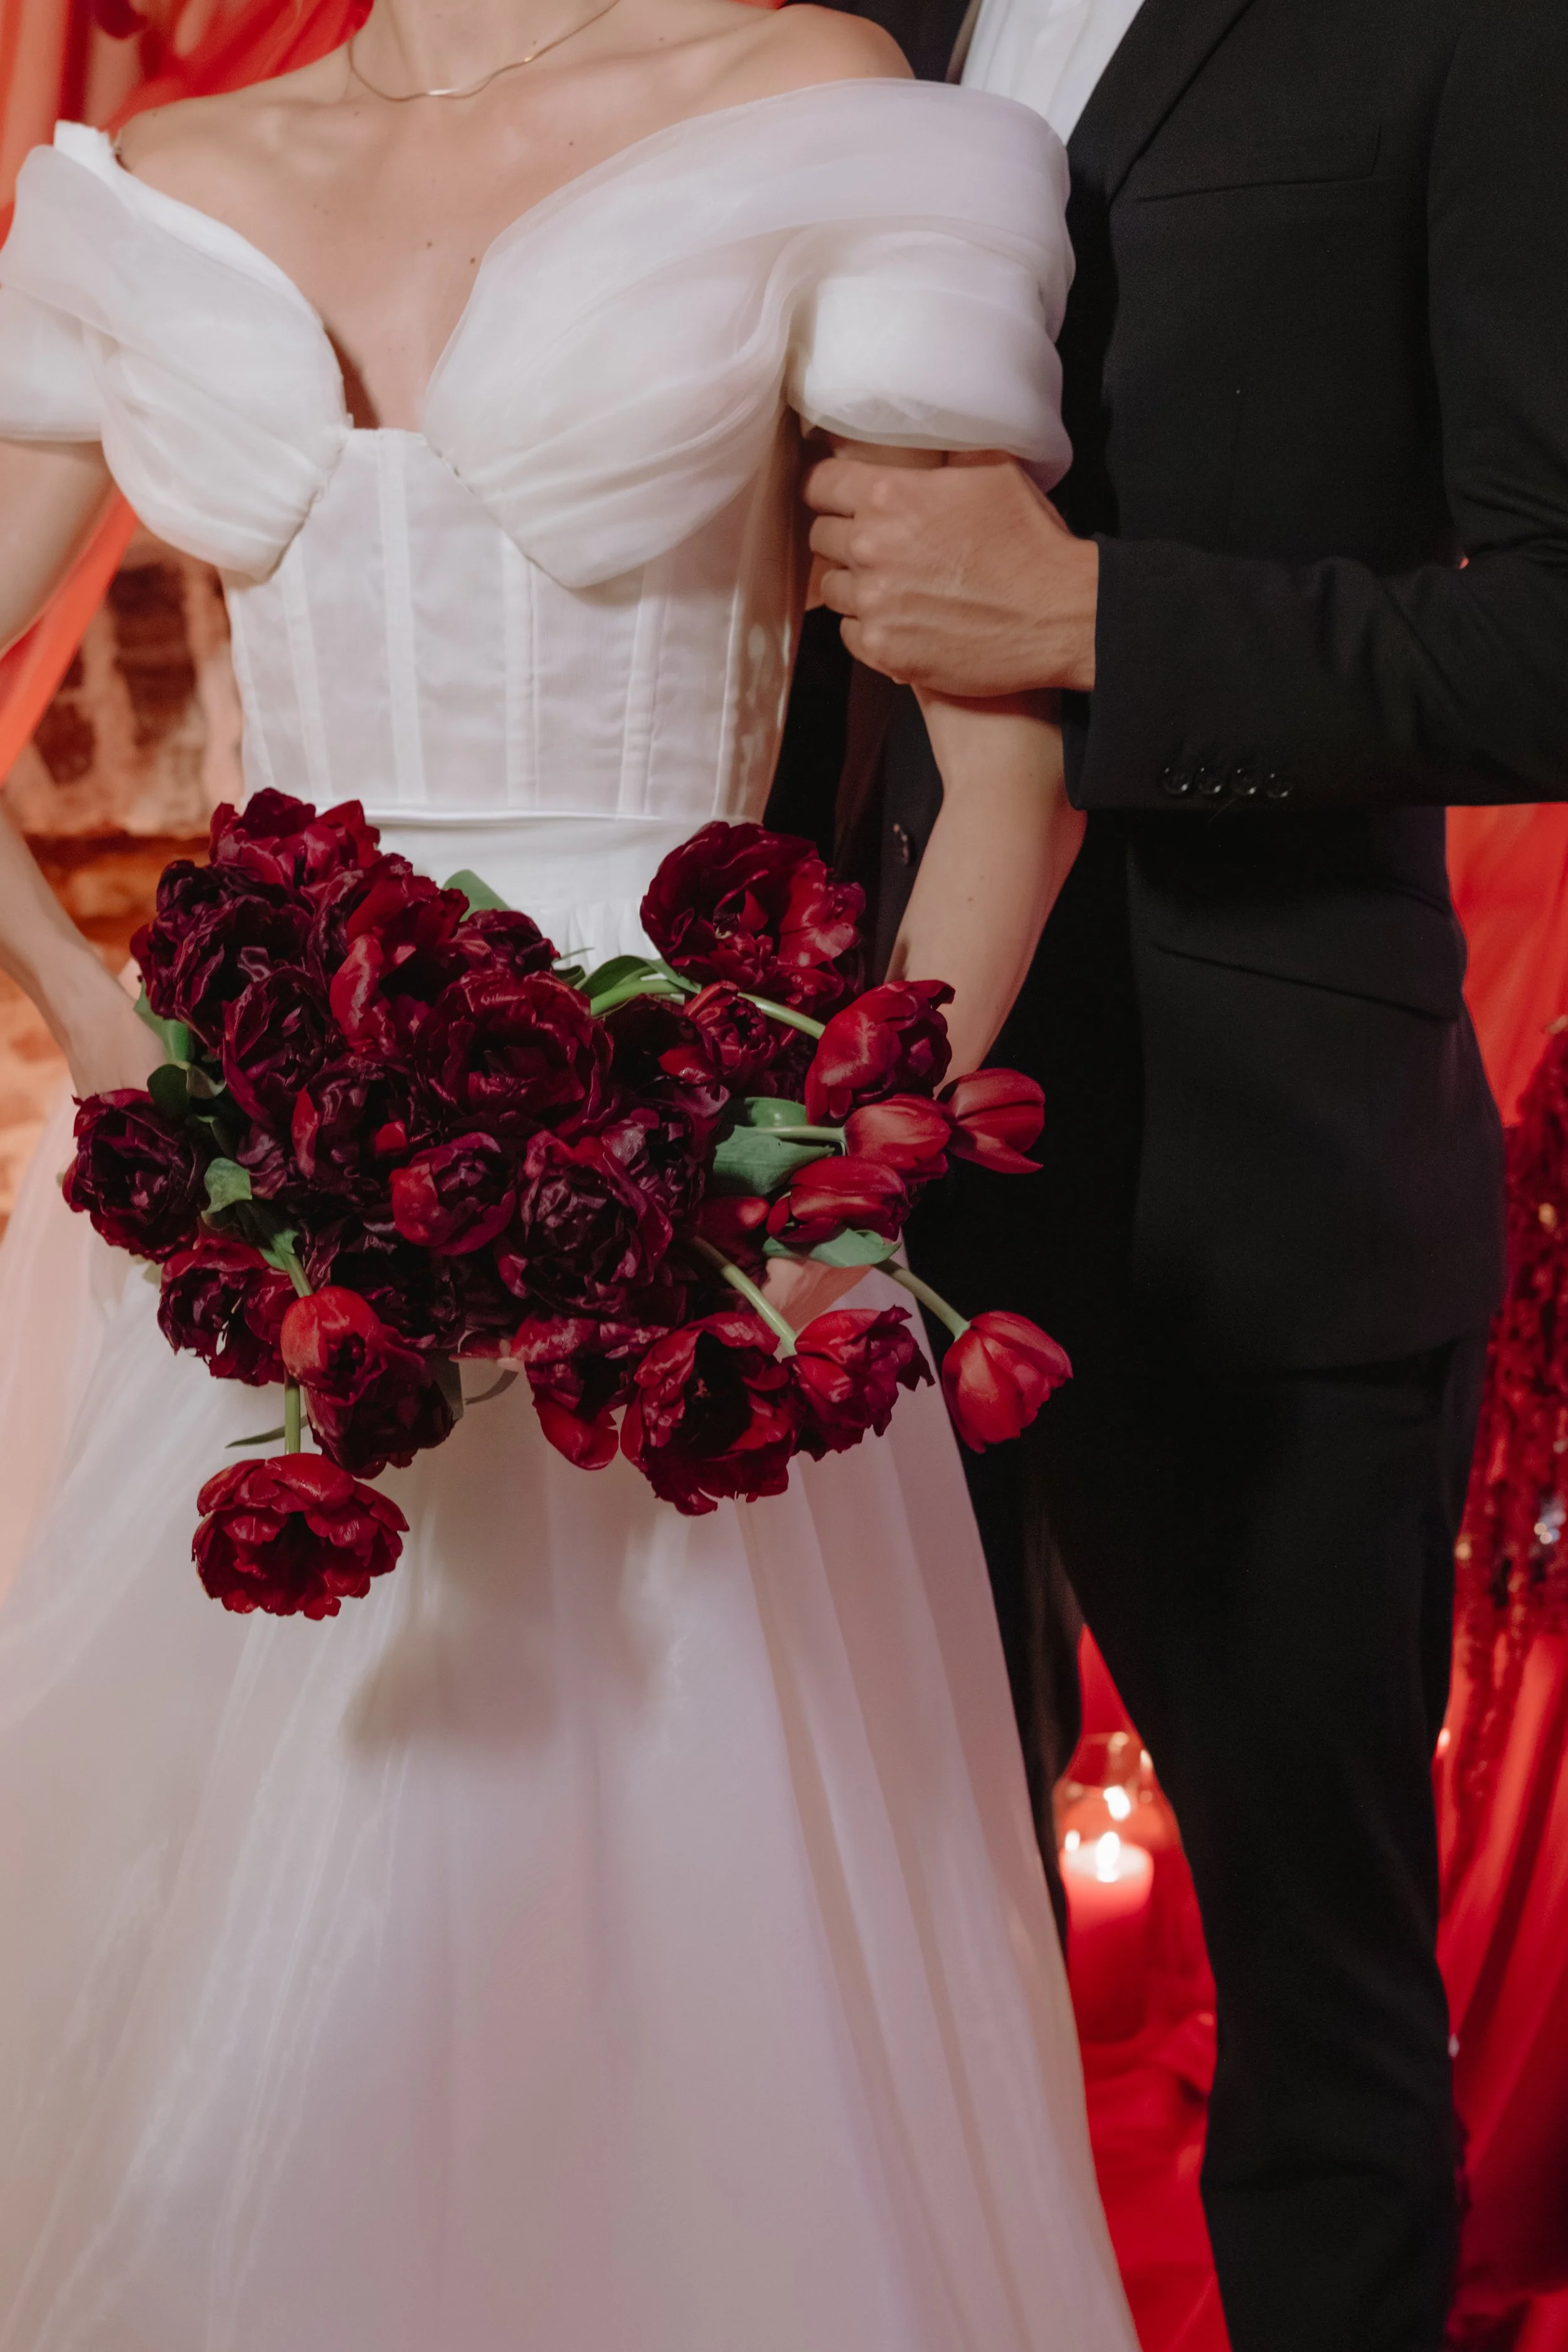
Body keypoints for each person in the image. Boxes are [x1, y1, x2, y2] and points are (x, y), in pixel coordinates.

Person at [0, 4, 1134, 2345]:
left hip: (694, 1222)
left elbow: (1003, 775)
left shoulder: (808, 94)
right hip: (264, 1217)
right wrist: (134, 1058)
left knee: (697, 1988)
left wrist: (815, 1177)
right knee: (224, 1989)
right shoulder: (166, 165)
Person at [787, 0, 1568, 2347]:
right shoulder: (826, 27)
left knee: (1318, 2009)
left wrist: (1095, 619)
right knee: (865, 1970)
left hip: (1263, 1175)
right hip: (815, 1181)